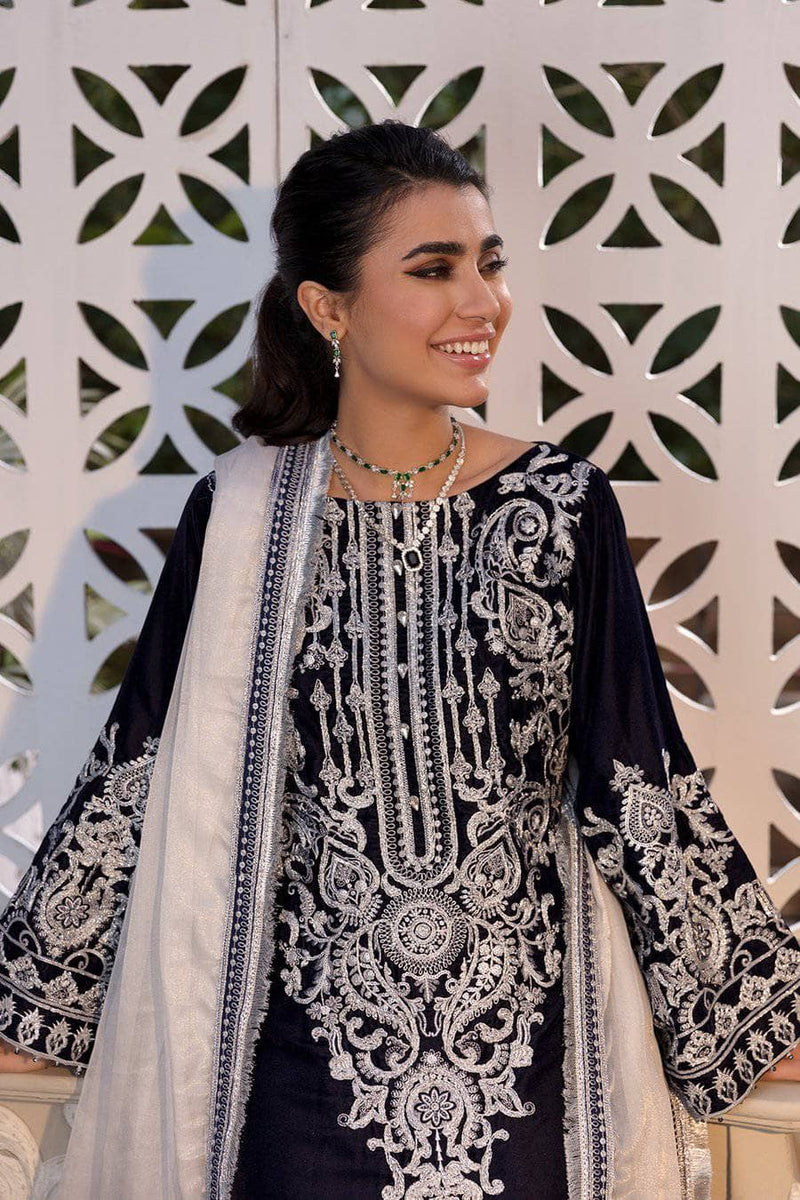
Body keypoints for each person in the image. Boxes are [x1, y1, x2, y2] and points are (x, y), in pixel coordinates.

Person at [0, 119, 798, 1200]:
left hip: (526, 1081)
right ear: (327, 307)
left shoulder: (559, 507)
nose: (482, 302)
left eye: (488, 264)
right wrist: (37, 997)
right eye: (433, 270)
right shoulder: (239, 514)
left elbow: (635, 778)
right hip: (295, 1081)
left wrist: (748, 1017)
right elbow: (136, 768)